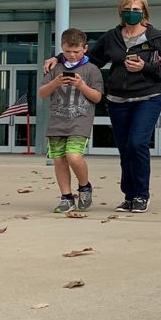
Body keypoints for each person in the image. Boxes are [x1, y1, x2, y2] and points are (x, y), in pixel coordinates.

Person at [44, 0, 161, 213]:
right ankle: (129, 196)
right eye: (128, 9)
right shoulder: (111, 37)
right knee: (125, 149)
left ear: (144, 12)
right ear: (120, 11)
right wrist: (58, 58)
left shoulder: (156, 38)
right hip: (117, 100)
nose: (131, 13)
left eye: (136, 10)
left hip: (147, 98)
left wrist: (145, 67)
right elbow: (87, 58)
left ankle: (141, 195)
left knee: (137, 144)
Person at [37, 28, 104, 213]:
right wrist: (55, 83)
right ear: (61, 48)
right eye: (67, 51)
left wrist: (82, 85)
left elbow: (97, 97)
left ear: (85, 49)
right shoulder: (54, 67)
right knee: (59, 160)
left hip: (80, 121)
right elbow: (42, 93)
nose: (72, 55)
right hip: (57, 122)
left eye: (76, 51)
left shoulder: (92, 70)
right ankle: (66, 197)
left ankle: (84, 186)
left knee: (74, 157)